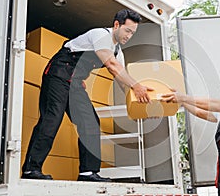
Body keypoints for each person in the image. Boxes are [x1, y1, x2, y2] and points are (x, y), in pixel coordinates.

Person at [22, 9, 153, 182]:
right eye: (127, 30)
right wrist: (137, 86)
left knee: (90, 121)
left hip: (74, 83)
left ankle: (87, 172)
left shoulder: (118, 52)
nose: (129, 36)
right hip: (58, 74)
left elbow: (121, 80)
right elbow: (112, 66)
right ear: (116, 25)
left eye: (133, 33)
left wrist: (138, 106)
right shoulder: (100, 35)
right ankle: (31, 169)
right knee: (52, 118)